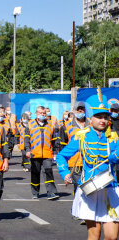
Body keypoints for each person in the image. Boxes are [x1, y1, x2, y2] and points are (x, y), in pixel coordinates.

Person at [56, 89, 119, 240]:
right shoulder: (81, 137)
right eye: (98, 117)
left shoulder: (114, 138)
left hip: (110, 188)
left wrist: (114, 157)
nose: (102, 120)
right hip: (89, 190)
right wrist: (65, 174)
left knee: (111, 236)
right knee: (94, 235)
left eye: (105, 117)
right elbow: (61, 156)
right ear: (90, 118)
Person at [24, 106, 59, 200]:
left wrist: (55, 152)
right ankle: (35, 192)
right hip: (34, 154)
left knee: (48, 173)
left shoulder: (50, 124)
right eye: (40, 113)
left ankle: (51, 192)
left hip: (47, 154)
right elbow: (26, 139)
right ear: (36, 113)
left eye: (44, 113)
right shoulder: (30, 124)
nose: (43, 115)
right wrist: (27, 150)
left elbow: (55, 140)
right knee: (35, 174)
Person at [59, 102, 89, 194]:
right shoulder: (66, 126)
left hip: (90, 161)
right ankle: (77, 207)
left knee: (89, 187)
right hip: (74, 162)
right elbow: (62, 146)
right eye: (78, 109)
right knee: (79, 187)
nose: (80, 111)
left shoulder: (91, 124)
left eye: (82, 109)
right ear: (74, 111)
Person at [110, 103, 119, 185]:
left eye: (115, 110)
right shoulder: (108, 121)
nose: (113, 112)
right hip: (112, 149)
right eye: (112, 110)